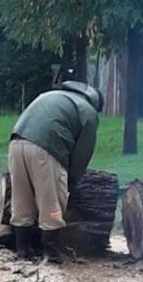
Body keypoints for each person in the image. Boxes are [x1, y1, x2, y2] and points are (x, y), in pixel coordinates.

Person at [8, 81, 104, 264]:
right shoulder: (88, 111)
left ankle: (22, 250)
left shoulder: (52, 95)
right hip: (45, 149)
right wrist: (71, 182)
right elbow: (83, 153)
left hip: (16, 143)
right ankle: (50, 253)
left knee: (21, 199)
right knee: (51, 202)